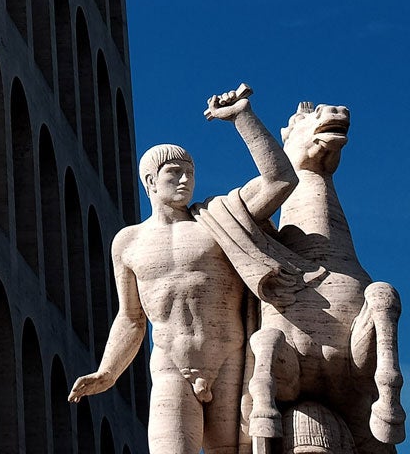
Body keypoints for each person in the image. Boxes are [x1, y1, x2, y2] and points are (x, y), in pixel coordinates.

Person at [69, 83, 301, 454]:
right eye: (174, 173)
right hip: (170, 364)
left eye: (190, 173)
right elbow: (131, 318)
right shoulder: (127, 242)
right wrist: (108, 371)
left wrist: (242, 117)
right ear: (149, 182)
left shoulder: (218, 218)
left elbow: (280, 180)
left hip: (231, 358)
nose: (185, 181)